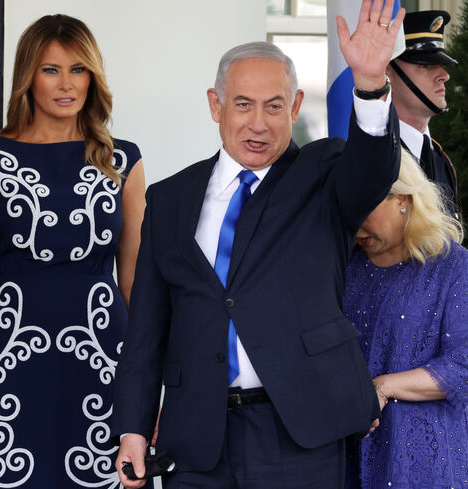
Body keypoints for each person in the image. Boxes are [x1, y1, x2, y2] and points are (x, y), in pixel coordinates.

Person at [112, 1, 405, 487]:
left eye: (274, 106)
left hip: (299, 432)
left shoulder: (324, 174)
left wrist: (371, 85)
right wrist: (133, 428)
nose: (259, 124)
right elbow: (146, 327)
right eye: (243, 104)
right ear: (215, 105)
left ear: (294, 107)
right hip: (196, 439)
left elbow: (373, 169)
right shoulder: (168, 198)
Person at [0, 14, 145, 488]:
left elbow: (135, 281)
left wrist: (147, 385)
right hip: (11, 359)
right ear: (27, 77)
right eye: (50, 69)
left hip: (104, 358)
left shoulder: (124, 160)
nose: (67, 84)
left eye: (78, 69)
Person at [343, 149, 467, 488]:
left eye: (366, 208)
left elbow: (463, 363)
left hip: (423, 461)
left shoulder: (452, 266)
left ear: (403, 197)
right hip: (347, 455)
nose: (356, 224)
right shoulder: (345, 267)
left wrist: (383, 386)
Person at [387, 10, 459, 218]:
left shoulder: (440, 159)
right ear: (386, 73)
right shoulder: (378, 158)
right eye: (426, 65)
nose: (444, 76)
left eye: (442, 66)